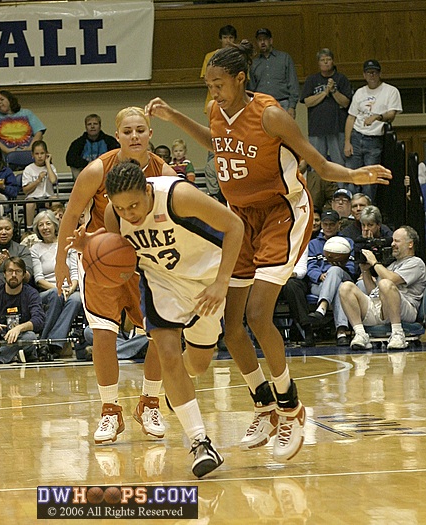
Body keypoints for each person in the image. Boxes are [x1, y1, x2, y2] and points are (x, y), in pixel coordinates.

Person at [145, 41, 391, 461]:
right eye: (208, 85)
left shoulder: (271, 114)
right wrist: (175, 117)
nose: (213, 91)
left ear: (240, 79)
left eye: (218, 84)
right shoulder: (214, 109)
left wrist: (353, 173)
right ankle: (264, 404)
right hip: (240, 217)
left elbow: (316, 160)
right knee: (232, 324)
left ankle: (291, 408)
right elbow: (217, 143)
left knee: (259, 315)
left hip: (281, 212)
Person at [96, 161, 244, 477]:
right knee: (167, 356)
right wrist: (89, 248)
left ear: (148, 191)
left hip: (207, 281)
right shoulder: (114, 215)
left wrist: (221, 283)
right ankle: (200, 443)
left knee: (199, 365)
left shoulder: (178, 195)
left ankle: (179, 390)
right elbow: (117, 256)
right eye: (121, 208)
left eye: (135, 205)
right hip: (162, 281)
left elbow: (235, 226)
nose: (129, 213)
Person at [55, 106, 178, 446]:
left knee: (159, 333)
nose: (135, 136)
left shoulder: (164, 171)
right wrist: (61, 262)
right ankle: (110, 410)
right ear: (117, 135)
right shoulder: (97, 169)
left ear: (150, 134)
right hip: (101, 258)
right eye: (128, 131)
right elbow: (71, 213)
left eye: (141, 130)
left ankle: (149, 402)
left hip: (147, 259)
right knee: (104, 336)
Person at [340, 226, 426, 350]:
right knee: (346, 287)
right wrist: (365, 271)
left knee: (386, 283)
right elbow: (373, 292)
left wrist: (374, 262)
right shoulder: (391, 265)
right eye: (392, 241)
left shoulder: (416, 263)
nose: (392, 244)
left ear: (410, 244)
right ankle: (360, 333)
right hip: (379, 307)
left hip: (405, 309)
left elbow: (390, 281)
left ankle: (397, 333)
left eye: (397, 241)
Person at [344, 59, 403, 202]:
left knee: (370, 179)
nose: (372, 75)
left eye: (375, 72)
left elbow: (392, 114)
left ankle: (368, 210)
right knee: (352, 177)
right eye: (369, 72)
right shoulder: (359, 92)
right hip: (356, 137)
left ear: (379, 74)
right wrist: (347, 142)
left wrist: (378, 117)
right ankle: (352, 212)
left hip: (374, 139)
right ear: (364, 75)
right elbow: (351, 118)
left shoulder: (390, 91)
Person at [0, 256, 45, 364]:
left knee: (30, 337)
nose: (14, 275)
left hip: (19, 338)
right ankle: (10, 356)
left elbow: (39, 320)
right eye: (10, 271)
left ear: (24, 275)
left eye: (18, 271)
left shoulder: (31, 293)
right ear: (4, 274)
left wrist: (19, 328)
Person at [30, 210, 82, 357]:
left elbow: (74, 272)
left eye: (48, 223)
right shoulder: (35, 249)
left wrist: (71, 288)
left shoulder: (67, 244)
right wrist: (58, 288)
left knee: (77, 299)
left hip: (70, 288)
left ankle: (53, 343)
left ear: (55, 225)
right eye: (41, 225)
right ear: (37, 229)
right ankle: (45, 340)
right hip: (49, 290)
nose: (45, 227)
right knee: (56, 294)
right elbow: (39, 279)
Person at [306, 210, 355, 346]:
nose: (328, 227)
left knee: (335, 272)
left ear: (338, 224)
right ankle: (341, 332)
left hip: (344, 278)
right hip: (320, 284)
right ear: (321, 224)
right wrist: (319, 276)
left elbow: (352, 267)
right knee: (339, 289)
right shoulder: (313, 244)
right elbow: (310, 267)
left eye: (331, 224)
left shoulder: (347, 242)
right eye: (325, 224)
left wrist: (341, 266)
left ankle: (322, 307)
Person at [300, 48, 352, 166]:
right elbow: (307, 102)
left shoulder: (341, 79)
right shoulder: (312, 79)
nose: (325, 62)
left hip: (337, 128)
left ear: (333, 61)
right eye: (322, 60)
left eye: (328, 59)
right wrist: (324, 92)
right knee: (317, 163)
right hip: (316, 128)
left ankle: (341, 185)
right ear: (318, 63)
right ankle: (318, 185)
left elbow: (345, 103)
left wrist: (333, 90)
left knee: (339, 162)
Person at [0, 90, 46, 169]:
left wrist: (31, 148)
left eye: (2, 99)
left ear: (10, 100)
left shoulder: (27, 113)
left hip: (29, 150)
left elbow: (39, 133)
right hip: (5, 153)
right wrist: (7, 150)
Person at [248, 29, 300, 119]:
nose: (262, 42)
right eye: (260, 40)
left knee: (283, 132)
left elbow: (293, 83)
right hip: (261, 105)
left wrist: (292, 107)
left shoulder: (284, 58)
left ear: (271, 41)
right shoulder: (253, 63)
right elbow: (251, 89)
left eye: (265, 39)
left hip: (283, 103)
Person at [66, 114, 119, 179]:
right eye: (89, 124)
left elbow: (117, 156)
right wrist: (88, 164)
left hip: (105, 173)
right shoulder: (78, 143)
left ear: (100, 126)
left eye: (95, 124)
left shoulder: (109, 141)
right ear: (86, 127)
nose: (92, 126)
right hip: (85, 174)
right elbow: (70, 159)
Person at [201, 24, 237, 113]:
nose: (228, 41)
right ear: (220, 39)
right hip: (214, 101)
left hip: (234, 102)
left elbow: (244, 82)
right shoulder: (210, 56)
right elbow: (205, 79)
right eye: (225, 38)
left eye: (231, 38)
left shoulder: (239, 57)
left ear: (235, 39)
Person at [22, 140, 58, 227]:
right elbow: (25, 190)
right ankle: (29, 228)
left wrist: (48, 164)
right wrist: (38, 180)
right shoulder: (28, 169)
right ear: (33, 155)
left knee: (55, 200)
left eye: (42, 153)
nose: (40, 156)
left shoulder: (51, 167)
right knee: (29, 204)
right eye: (37, 154)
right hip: (33, 197)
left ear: (46, 154)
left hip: (48, 196)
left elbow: (53, 180)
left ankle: (56, 227)